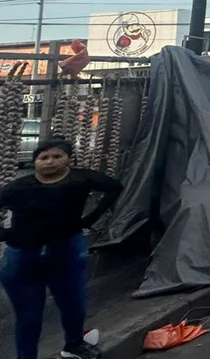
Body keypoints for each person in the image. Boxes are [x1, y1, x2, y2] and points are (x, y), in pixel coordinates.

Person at [0, 138, 123, 359]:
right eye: (43, 157)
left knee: (74, 306)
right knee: (29, 317)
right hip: (23, 259)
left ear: (68, 159)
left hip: (67, 252)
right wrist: (5, 235)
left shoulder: (81, 179)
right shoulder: (18, 187)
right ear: (35, 161)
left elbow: (115, 187)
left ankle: (74, 345)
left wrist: (90, 218)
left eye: (57, 156)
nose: (50, 162)